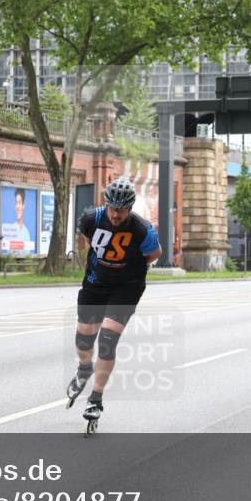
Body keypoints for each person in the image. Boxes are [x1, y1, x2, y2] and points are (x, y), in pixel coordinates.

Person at [66, 177, 162, 430]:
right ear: (106, 204)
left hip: (127, 287)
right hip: (96, 283)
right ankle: (84, 368)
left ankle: (95, 399)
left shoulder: (142, 229)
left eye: (121, 210)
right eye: (112, 209)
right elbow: (88, 242)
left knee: (107, 340)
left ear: (130, 208)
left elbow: (154, 254)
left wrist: (130, 268)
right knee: (83, 340)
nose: (116, 215)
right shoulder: (91, 219)